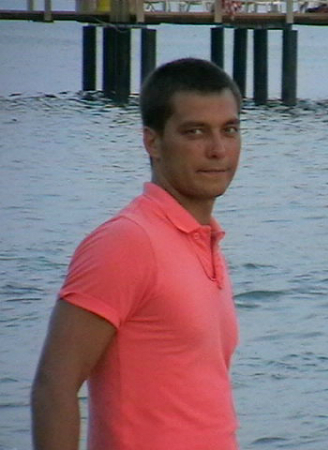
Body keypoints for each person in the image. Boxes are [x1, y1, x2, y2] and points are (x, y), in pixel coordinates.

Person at [31, 58, 243, 450]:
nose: (217, 150)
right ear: (152, 142)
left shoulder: (204, 241)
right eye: (195, 132)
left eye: (229, 130)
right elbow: (54, 385)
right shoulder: (127, 243)